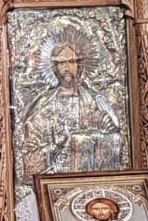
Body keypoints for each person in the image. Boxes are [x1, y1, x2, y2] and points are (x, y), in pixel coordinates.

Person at [22, 41, 122, 176]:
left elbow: (115, 140)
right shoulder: (43, 105)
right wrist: (55, 147)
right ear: (54, 67)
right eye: (62, 63)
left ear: (79, 66)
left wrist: (86, 141)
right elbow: (29, 160)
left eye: (72, 61)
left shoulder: (95, 102)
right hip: (52, 181)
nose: (67, 67)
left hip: (89, 180)